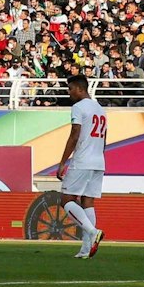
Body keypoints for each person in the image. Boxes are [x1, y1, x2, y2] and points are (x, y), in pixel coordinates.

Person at [55, 75, 107, 259]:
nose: (69, 93)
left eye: (70, 89)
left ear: (79, 88)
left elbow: (75, 134)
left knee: (66, 199)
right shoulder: (100, 109)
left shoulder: (78, 107)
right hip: (98, 161)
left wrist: (62, 162)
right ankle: (86, 249)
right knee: (87, 202)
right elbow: (105, 138)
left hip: (83, 160)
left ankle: (93, 232)